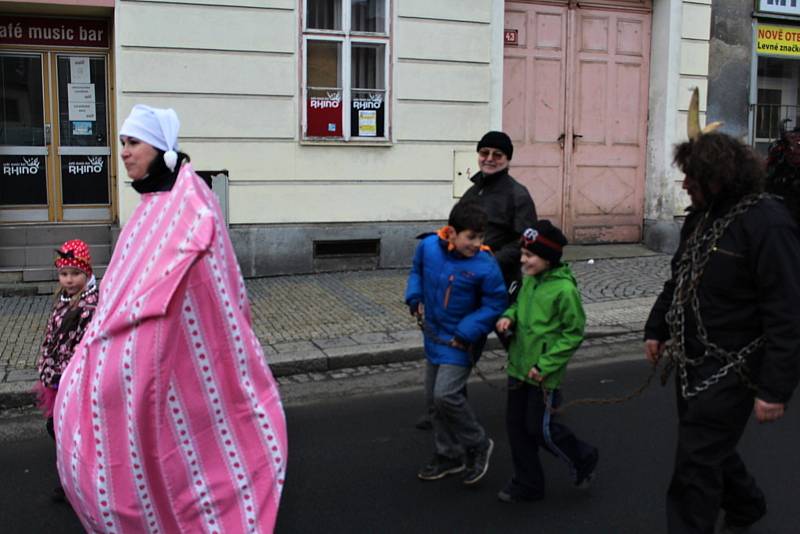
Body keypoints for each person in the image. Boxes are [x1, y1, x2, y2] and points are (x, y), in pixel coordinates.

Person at [54, 105, 287, 533]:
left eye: (133, 143)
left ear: (160, 148)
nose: (123, 152)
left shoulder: (190, 200)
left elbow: (183, 272)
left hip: (184, 350)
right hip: (144, 354)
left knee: (188, 437)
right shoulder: (150, 203)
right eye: (122, 142)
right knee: (150, 444)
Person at [644, 122, 800, 531]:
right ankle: (746, 502)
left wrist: (775, 388)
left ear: (718, 177)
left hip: (735, 367)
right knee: (707, 445)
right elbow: (679, 279)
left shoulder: (769, 223)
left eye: (693, 176)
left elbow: (787, 310)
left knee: (695, 463)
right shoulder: (702, 217)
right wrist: (656, 326)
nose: (685, 185)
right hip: (691, 357)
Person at [495, 220, 598, 503]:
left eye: (530, 255)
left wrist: (545, 365)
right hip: (518, 366)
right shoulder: (529, 280)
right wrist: (509, 316)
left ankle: (583, 458)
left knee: (541, 429)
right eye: (523, 253)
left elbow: (573, 333)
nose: (523, 260)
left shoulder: (564, 291)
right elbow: (518, 305)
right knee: (516, 429)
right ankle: (528, 483)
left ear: (549, 258)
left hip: (543, 374)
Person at [405, 201, 507, 485]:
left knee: (445, 395)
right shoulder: (427, 247)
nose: (477, 243)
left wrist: (466, 332)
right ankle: (449, 455)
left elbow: (495, 303)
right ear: (451, 233)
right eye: (471, 237)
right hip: (434, 336)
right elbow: (416, 272)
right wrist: (415, 298)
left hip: (461, 341)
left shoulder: (485, 265)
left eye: (481, 237)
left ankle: (478, 443)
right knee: (432, 402)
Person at [34, 239, 98, 502]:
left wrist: (70, 373)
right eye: (64, 274)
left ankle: (81, 482)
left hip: (75, 379)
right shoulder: (63, 300)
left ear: (87, 273)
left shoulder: (90, 306)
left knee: (68, 431)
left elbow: (86, 346)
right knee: (59, 429)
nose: (69, 279)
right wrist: (45, 364)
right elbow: (52, 337)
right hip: (57, 376)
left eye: (75, 274)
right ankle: (73, 479)